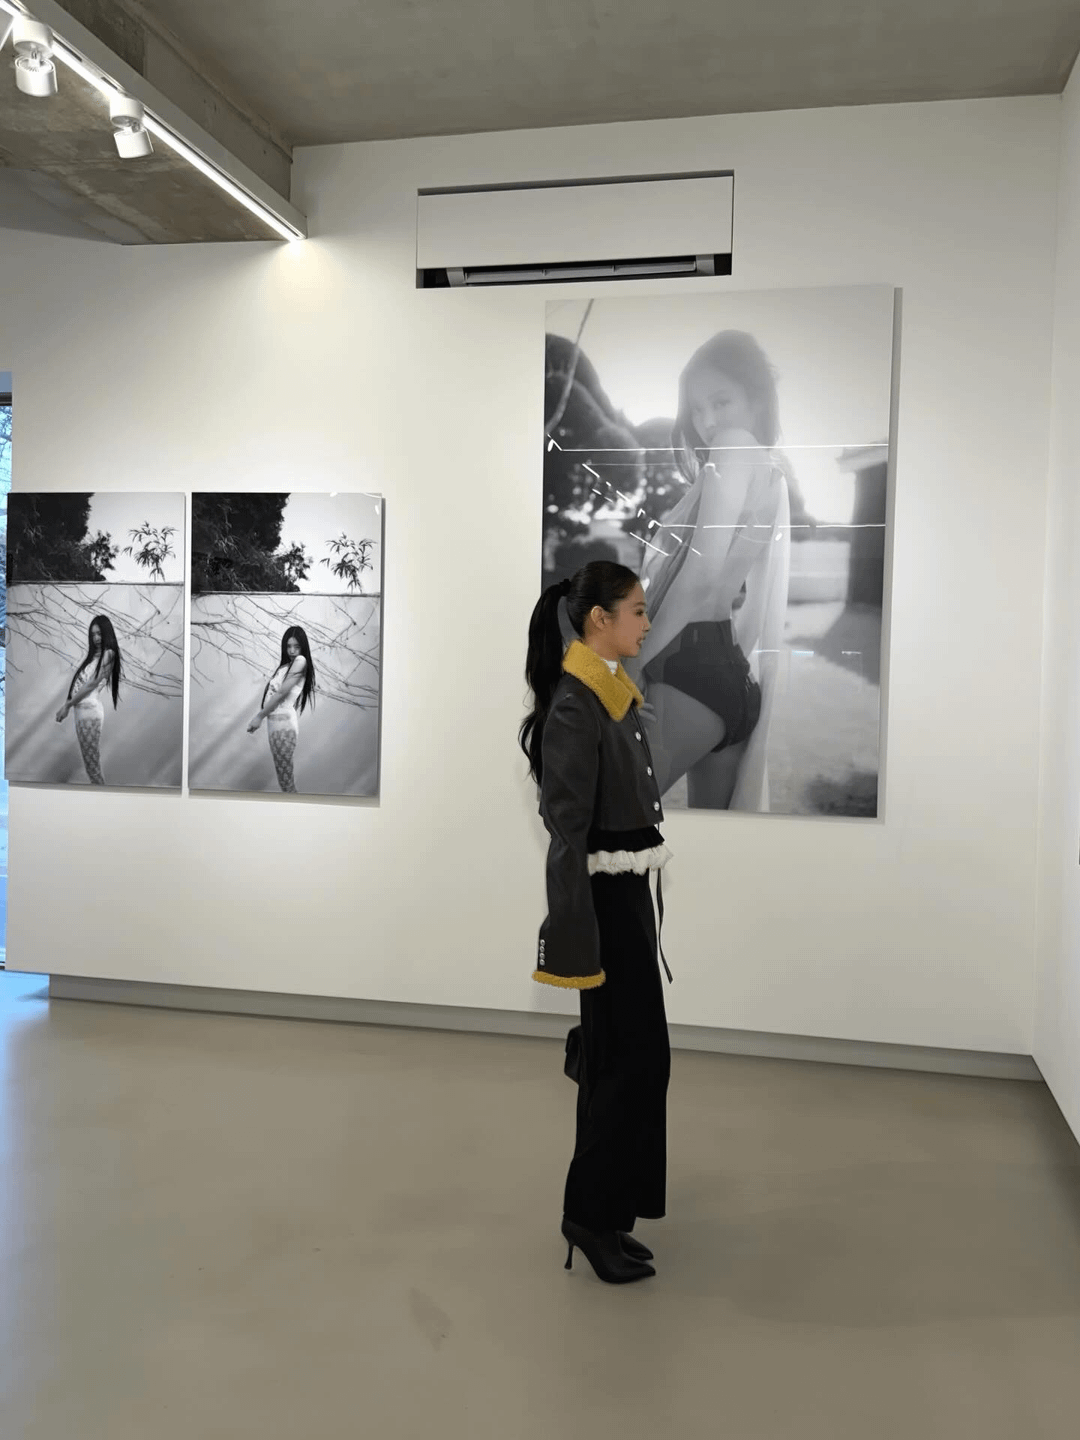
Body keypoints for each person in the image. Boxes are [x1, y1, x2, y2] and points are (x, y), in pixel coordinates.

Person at [520, 561, 672, 1286]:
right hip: (602, 907)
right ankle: (588, 1215)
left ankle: (610, 1213)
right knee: (621, 1063)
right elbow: (567, 834)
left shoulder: (608, 692)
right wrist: (575, 937)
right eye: (637, 610)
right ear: (598, 620)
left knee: (637, 1060)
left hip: (625, 896)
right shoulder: (578, 705)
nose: (646, 621)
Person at [632, 330, 791, 811]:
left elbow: (700, 577)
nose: (706, 422)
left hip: (687, 669)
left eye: (721, 402)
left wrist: (632, 665)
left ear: (756, 400)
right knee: (718, 846)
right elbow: (740, 595)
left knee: (595, 812)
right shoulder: (770, 473)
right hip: (727, 677)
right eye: (696, 409)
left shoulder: (733, 448)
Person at [55, 614, 122, 786]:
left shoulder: (109, 653)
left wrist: (68, 705)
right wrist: (70, 705)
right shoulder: (93, 658)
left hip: (89, 712)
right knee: (91, 766)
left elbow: (92, 683)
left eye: (99, 633)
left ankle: (103, 799)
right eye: (93, 635)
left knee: (93, 768)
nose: (96, 638)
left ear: (107, 633)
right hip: (82, 713)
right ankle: (101, 797)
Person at [247, 626, 316, 793]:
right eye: (288, 646)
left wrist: (259, 716)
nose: (292, 651)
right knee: (284, 781)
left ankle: (296, 810)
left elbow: (281, 693)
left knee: (286, 783)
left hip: (283, 727)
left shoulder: (300, 661)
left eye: (297, 646)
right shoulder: (286, 667)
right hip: (276, 726)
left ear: (303, 647)